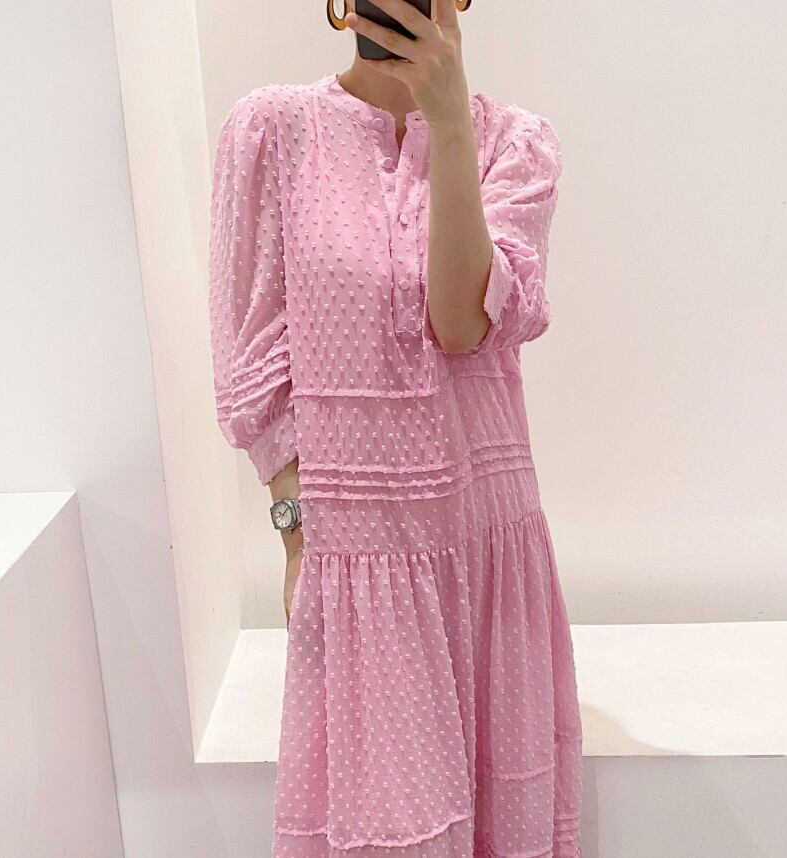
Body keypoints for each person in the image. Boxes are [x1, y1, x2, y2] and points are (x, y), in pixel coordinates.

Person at [207, 1, 583, 854]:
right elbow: (251, 351)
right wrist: (296, 535)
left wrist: (449, 124)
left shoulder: (516, 145)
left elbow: (461, 321)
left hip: (488, 548)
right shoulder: (274, 131)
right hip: (360, 558)